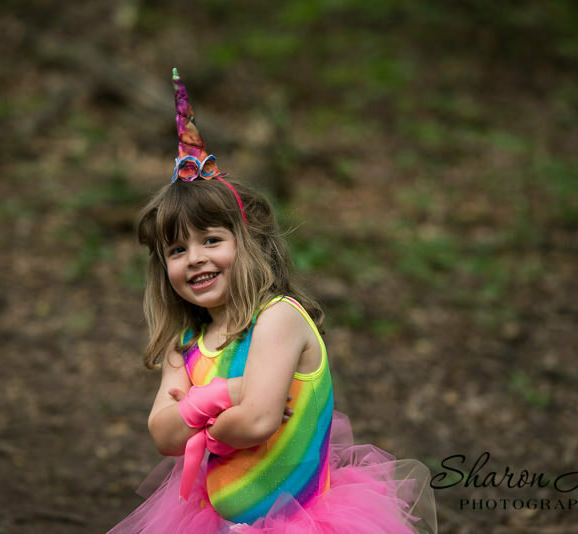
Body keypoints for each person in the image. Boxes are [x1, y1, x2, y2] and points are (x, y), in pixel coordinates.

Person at [107, 69, 436, 534]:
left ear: (248, 242)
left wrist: (198, 416)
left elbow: (259, 421)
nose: (195, 258)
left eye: (211, 240)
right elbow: (162, 435)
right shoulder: (186, 343)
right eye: (177, 250)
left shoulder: (277, 318)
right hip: (216, 523)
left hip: (303, 523)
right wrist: (228, 395)